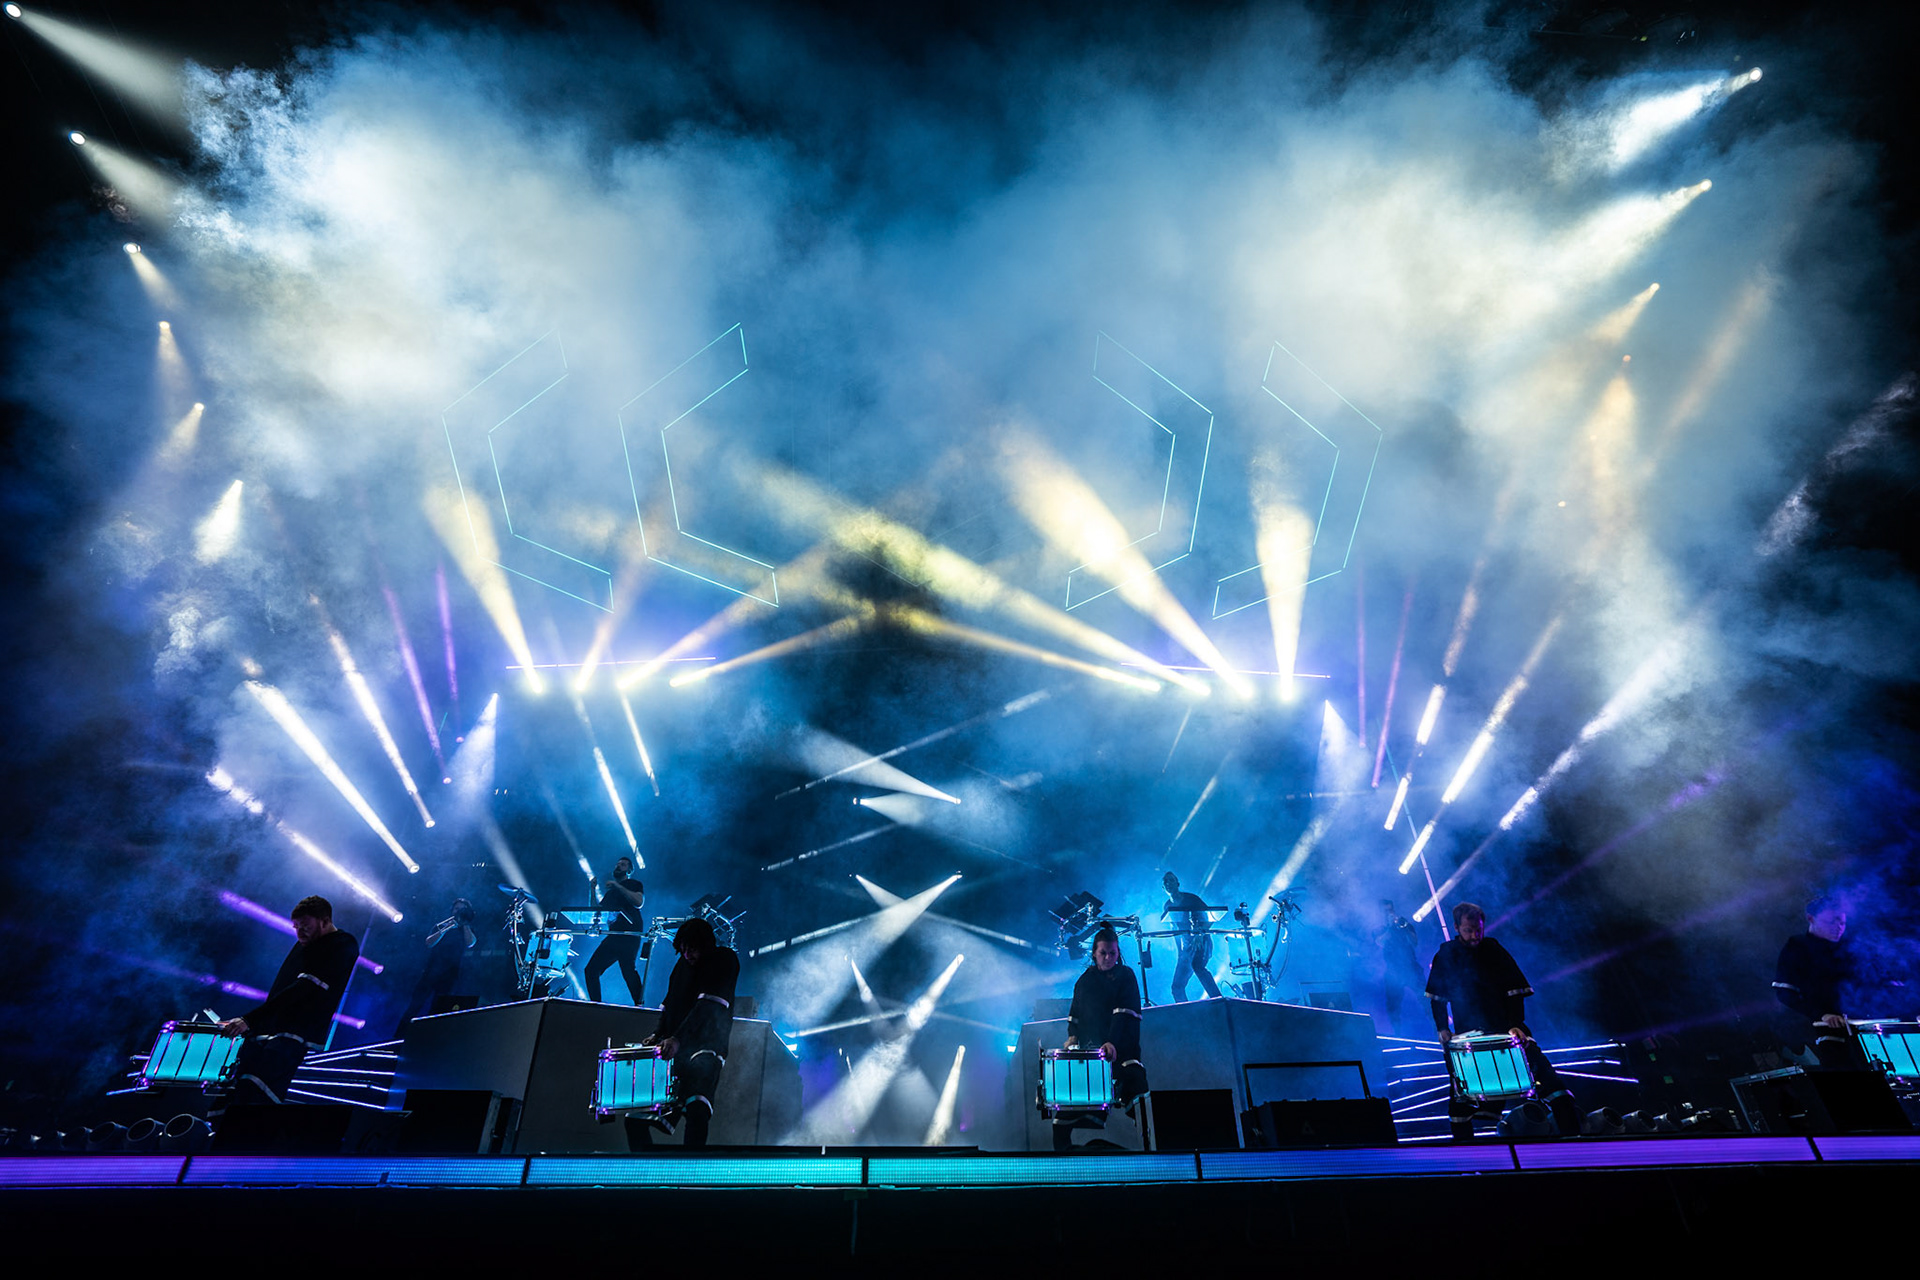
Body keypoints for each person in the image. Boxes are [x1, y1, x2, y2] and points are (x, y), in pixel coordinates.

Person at [1425, 902, 1576, 1138]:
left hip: (1506, 1029)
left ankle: (1575, 1141)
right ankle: (1467, 1155)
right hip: (1468, 1036)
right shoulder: (1446, 955)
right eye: (1468, 930)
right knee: (1461, 1097)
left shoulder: (1493, 949)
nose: (1474, 936)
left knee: (1552, 1084)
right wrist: (1442, 1028)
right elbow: (1437, 999)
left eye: (1478, 930)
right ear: (1456, 927)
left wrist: (1515, 1023)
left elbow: (1514, 992)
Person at [214, 895, 360, 1112]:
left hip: (295, 1032)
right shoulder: (302, 946)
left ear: (324, 921)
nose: (300, 932)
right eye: (296, 927)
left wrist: (249, 1019)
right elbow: (283, 991)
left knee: (257, 1091)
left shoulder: (342, 943)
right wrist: (252, 1023)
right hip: (269, 1030)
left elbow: (304, 988)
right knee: (235, 1090)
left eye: (306, 926)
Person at [631, 916, 739, 1149]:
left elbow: (708, 1006)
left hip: (707, 1046)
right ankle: (646, 1168)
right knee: (636, 1119)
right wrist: (658, 1034)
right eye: (683, 949)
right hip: (676, 1051)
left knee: (697, 1107)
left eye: (692, 949)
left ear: (705, 945)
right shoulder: (682, 966)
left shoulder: (724, 959)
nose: (687, 954)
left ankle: (691, 1165)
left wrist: (677, 1038)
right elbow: (670, 1003)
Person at [1056, 925, 1149, 1151]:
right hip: (1091, 1059)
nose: (1108, 958)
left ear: (1118, 953)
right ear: (1094, 953)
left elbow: (1124, 1013)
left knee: (1142, 1105)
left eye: (1112, 953)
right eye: (1103, 953)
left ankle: (1154, 1153)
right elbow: (1075, 1014)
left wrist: (1112, 1042)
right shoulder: (1085, 980)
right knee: (1063, 1113)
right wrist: (1072, 1036)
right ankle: (1065, 1158)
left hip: (1122, 1054)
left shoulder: (1125, 975)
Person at [1773, 896, 1859, 1067]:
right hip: (1822, 1033)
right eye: (1831, 922)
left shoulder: (1848, 948)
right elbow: (1784, 992)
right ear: (1811, 918)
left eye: (1842, 922)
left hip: (1858, 1028)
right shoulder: (1797, 946)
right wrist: (1821, 1014)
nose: (1838, 927)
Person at [395, 897, 477, 1035]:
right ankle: (399, 1037)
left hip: (450, 976)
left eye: (462, 909)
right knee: (414, 1006)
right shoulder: (441, 925)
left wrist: (465, 924)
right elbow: (429, 943)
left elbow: (471, 943)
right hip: (431, 972)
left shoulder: (466, 929)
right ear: (452, 910)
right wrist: (446, 928)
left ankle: (428, 1038)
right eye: (457, 909)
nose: (459, 911)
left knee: (438, 1010)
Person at [585, 858, 646, 1005]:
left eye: (622, 865)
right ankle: (596, 1006)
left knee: (628, 971)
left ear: (629, 870)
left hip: (629, 935)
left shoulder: (634, 884)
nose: (618, 866)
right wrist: (592, 889)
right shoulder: (610, 894)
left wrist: (618, 886)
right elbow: (597, 912)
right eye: (617, 864)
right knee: (591, 970)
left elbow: (639, 902)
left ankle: (640, 1006)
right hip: (614, 936)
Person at [1160, 871, 1223, 1002]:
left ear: (1178, 884)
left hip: (1201, 942)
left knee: (1197, 966)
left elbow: (1211, 917)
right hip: (1186, 947)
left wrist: (1200, 933)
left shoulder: (1192, 899)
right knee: (1177, 987)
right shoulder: (1167, 906)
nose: (1168, 883)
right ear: (1163, 887)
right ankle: (1185, 1011)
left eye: (1171, 880)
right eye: (1165, 881)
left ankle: (1219, 1001)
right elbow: (1174, 931)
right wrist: (1180, 951)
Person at [1374, 900, 1425, 1034]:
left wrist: (1404, 927)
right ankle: (1398, 1035)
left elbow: (1414, 942)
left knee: (1426, 1000)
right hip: (1393, 971)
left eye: (1390, 910)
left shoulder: (1404, 923)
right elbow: (1380, 942)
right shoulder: (1379, 929)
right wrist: (1390, 927)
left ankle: (1437, 1030)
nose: (1388, 913)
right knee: (1393, 1006)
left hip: (1411, 967)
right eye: (1385, 911)